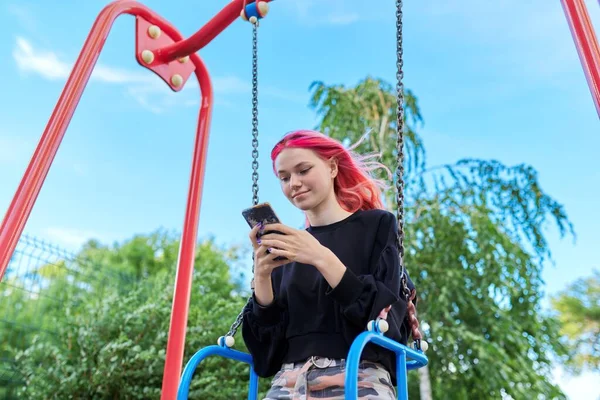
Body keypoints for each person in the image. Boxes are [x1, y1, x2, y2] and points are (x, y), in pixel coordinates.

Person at [242, 129, 418, 399]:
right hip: (288, 383)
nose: (294, 183)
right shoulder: (288, 245)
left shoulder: (376, 227)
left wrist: (320, 256)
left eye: (303, 170)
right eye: (284, 177)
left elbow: (382, 317)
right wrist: (263, 277)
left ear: (333, 167)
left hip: (358, 375)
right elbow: (266, 356)